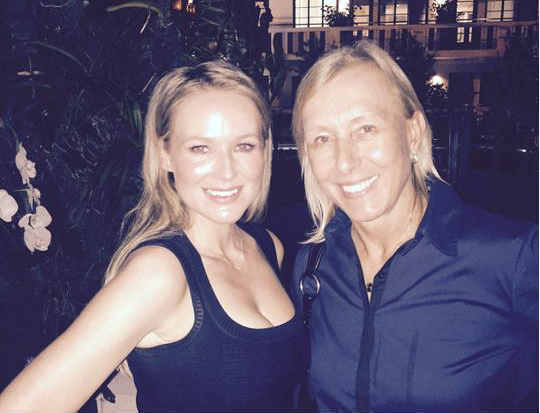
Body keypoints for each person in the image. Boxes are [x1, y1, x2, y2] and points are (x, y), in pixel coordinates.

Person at [0, 61, 305, 412]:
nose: (227, 171)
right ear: (165, 155)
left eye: (244, 146)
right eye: (200, 148)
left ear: (266, 150)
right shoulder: (159, 273)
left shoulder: (267, 246)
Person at [290, 40, 538, 413]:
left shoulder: (513, 258)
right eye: (322, 139)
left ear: (414, 132)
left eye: (365, 129)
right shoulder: (313, 266)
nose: (345, 162)